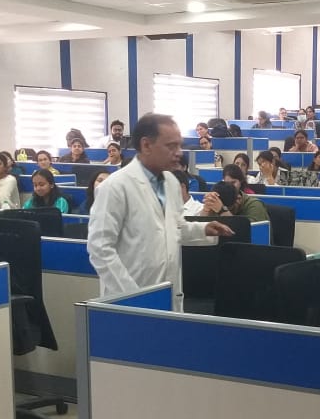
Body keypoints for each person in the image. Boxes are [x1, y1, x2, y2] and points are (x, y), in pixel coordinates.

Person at [87, 113, 232, 306]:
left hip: (169, 294)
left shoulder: (171, 182)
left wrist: (202, 229)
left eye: (179, 145)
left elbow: (174, 228)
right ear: (146, 145)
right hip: (128, 299)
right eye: (171, 146)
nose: (179, 153)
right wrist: (131, 295)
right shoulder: (115, 187)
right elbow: (100, 249)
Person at [199, 179, 269, 223]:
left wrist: (222, 210)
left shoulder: (255, 205)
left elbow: (245, 233)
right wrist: (206, 210)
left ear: (238, 199)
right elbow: (201, 228)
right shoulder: (215, 204)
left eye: (230, 209)